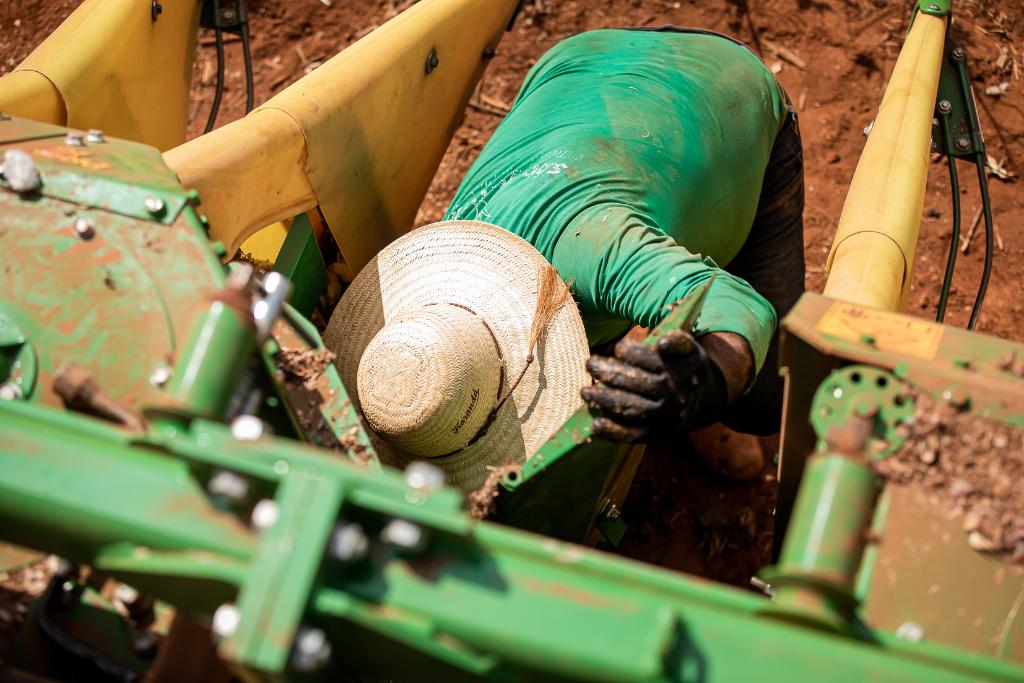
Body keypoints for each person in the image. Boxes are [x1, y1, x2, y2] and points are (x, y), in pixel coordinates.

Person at [443, 27, 805, 478]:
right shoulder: (440, 254)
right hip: (579, 58)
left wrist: (707, 382)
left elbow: (739, 307)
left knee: (764, 400)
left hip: (726, 87)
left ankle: (713, 412)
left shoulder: (593, 251)